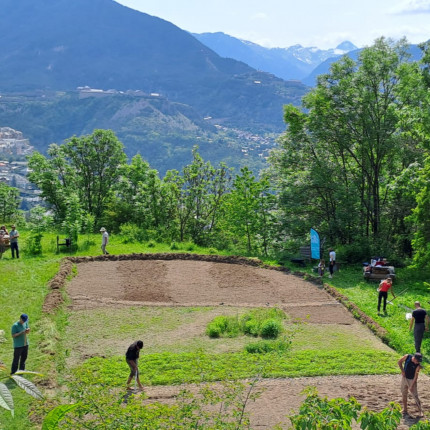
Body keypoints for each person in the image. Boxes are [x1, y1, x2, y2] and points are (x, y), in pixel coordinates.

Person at [398, 352, 424, 417]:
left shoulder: (418, 366)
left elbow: (416, 377)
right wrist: (402, 371)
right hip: (404, 378)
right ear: (414, 358)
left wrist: (411, 386)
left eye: (419, 361)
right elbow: (399, 362)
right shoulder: (407, 356)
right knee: (404, 394)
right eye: (417, 361)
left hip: (412, 380)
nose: (418, 362)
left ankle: (420, 411)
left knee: (415, 396)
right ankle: (405, 409)